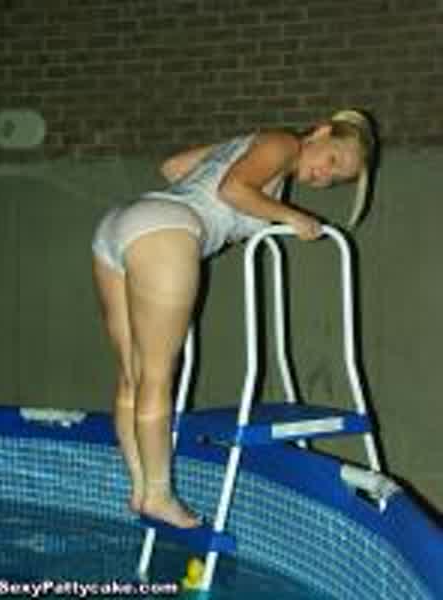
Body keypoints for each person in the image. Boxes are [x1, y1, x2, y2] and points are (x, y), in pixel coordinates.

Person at [91, 108, 377, 528]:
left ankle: (141, 490)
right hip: (165, 229)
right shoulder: (283, 142)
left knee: (133, 377)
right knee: (156, 376)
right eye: (332, 159)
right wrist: (292, 216)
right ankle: (157, 496)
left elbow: (173, 167)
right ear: (319, 132)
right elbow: (233, 190)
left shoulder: (255, 145)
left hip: (121, 224)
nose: (323, 175)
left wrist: (233, 214)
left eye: (334, 179)